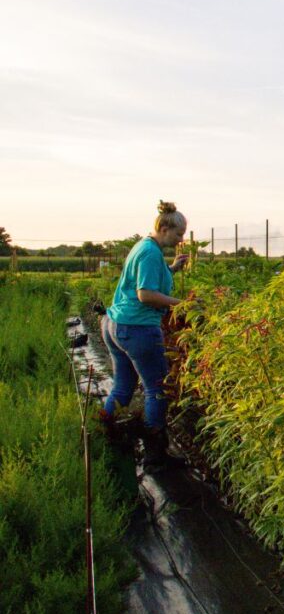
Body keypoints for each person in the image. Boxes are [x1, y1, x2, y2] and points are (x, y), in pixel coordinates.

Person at [99, 200, 189, 471]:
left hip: (116, 325)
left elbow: (147, 280)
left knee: (123, 387)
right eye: (178, 234)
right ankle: (155, 456)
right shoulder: (151, 253)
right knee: (157, 390)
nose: (181, 239)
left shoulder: (144, 246)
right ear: (163, 228)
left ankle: (104, 434)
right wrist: (182, 305)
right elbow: (146, 294)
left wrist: (171, 269)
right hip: (137, 328)